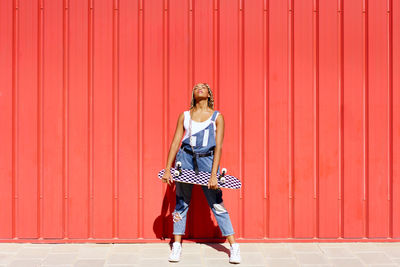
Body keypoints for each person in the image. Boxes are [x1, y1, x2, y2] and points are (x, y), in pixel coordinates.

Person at [162, 83, 241, 264]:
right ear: (193, 94)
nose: (199, 88)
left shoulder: (217, 117)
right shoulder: (185, 115)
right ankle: (177, 245)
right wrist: (168, 168)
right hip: (185, 159)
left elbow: (219, 146)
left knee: (217, 203)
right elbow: (176, 142)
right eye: (196, 87)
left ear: (209, 94)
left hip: (207, 161)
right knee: (181, 202)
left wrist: (214, 174)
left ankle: (234, 246)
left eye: (203, 87)